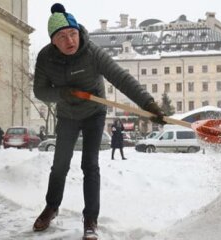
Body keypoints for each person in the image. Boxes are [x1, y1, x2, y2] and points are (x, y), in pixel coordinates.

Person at [32, 3, 165, 240]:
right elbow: (40, 91)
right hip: (67, 115)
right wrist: (63, 93)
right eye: (62, 37)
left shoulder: (92, 52)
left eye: (72, 33)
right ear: (53, 41)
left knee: (90, 166)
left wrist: (148, 104)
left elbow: (120, 77)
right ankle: (51, 207)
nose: (70, 40)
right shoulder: (45, 58)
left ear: (78, 32)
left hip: (94, 113)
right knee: (60, 165)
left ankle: (91, 219)